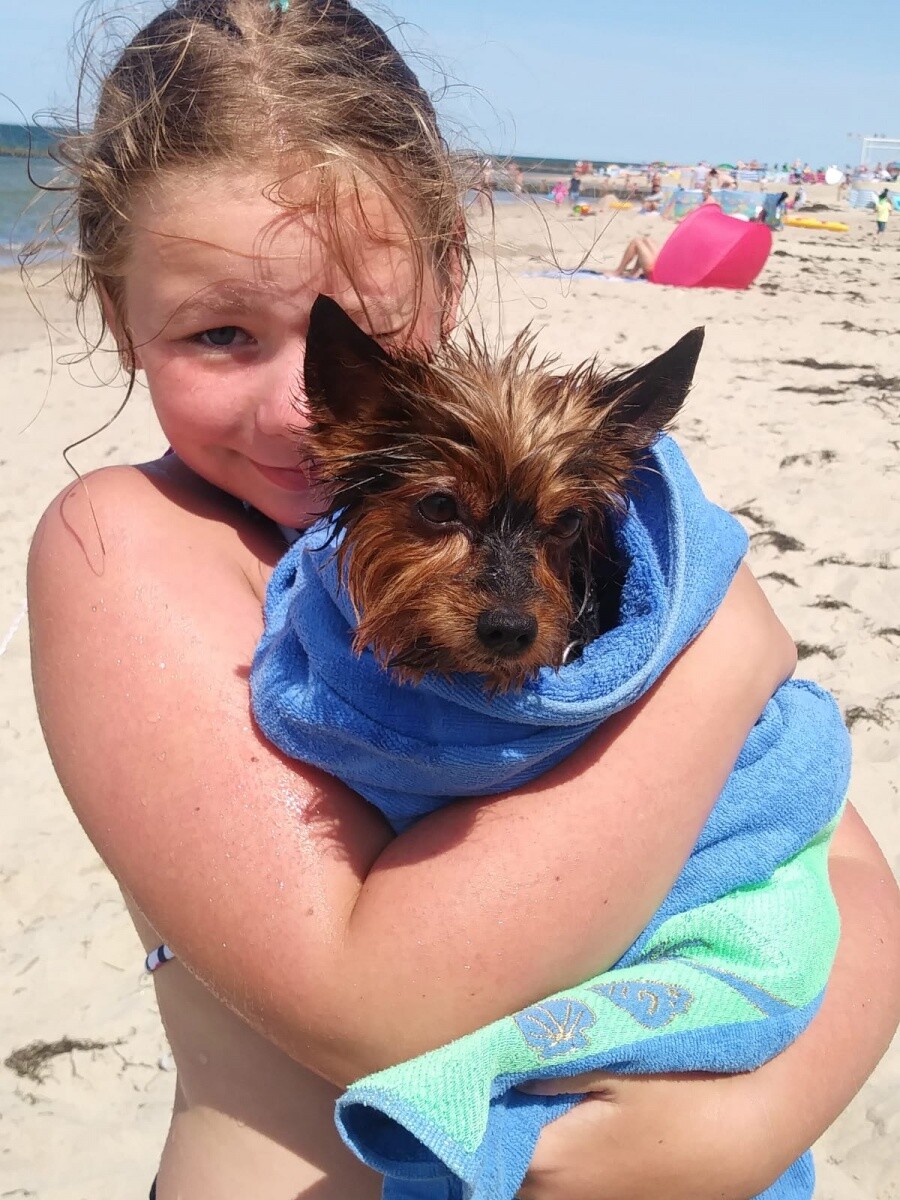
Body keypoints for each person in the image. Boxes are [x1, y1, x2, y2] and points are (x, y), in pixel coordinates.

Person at [25, 3, 900, 1199]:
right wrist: (728, 657)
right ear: (116, 312)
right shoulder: (125, 544)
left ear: (449, 266)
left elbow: (834, 860)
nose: (302, 411)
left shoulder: (619, 531)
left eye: (359, 338)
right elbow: (374, 1004)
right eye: (220, 334)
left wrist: (749, 1128)